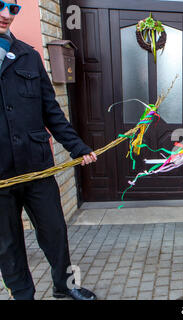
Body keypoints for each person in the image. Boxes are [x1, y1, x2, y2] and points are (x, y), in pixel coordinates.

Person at [0, 0, 97, 300]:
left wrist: (77, 147)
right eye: (0, 6)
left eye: (13, 9)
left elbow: (51, 111)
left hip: (37, 166)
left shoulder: (29, 56)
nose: (6, 15)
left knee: (56, 233)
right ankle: (23, 295)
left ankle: (64, 286)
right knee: (8, 243)